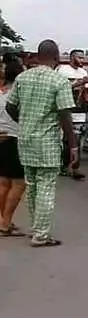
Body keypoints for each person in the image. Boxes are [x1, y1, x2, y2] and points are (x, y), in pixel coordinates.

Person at [5, 39, 77, 247]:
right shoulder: (59, 81)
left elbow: (10, 107)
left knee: (32, 186)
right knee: (46, 187)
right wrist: (73, 145)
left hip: (25, 140)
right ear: (56, 58)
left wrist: (25, 120)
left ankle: (36, 228)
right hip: (47, 142)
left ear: (37, 56)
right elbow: (65, 114)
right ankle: (41, 235)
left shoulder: (22, 78)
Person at [0, 55, 26, 236]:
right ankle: (5, 223)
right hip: (15, 139)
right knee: (18, 184)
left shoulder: (1, 93)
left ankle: (3, 220)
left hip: (2, 140)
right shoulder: (18, 96)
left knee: (3, 183)